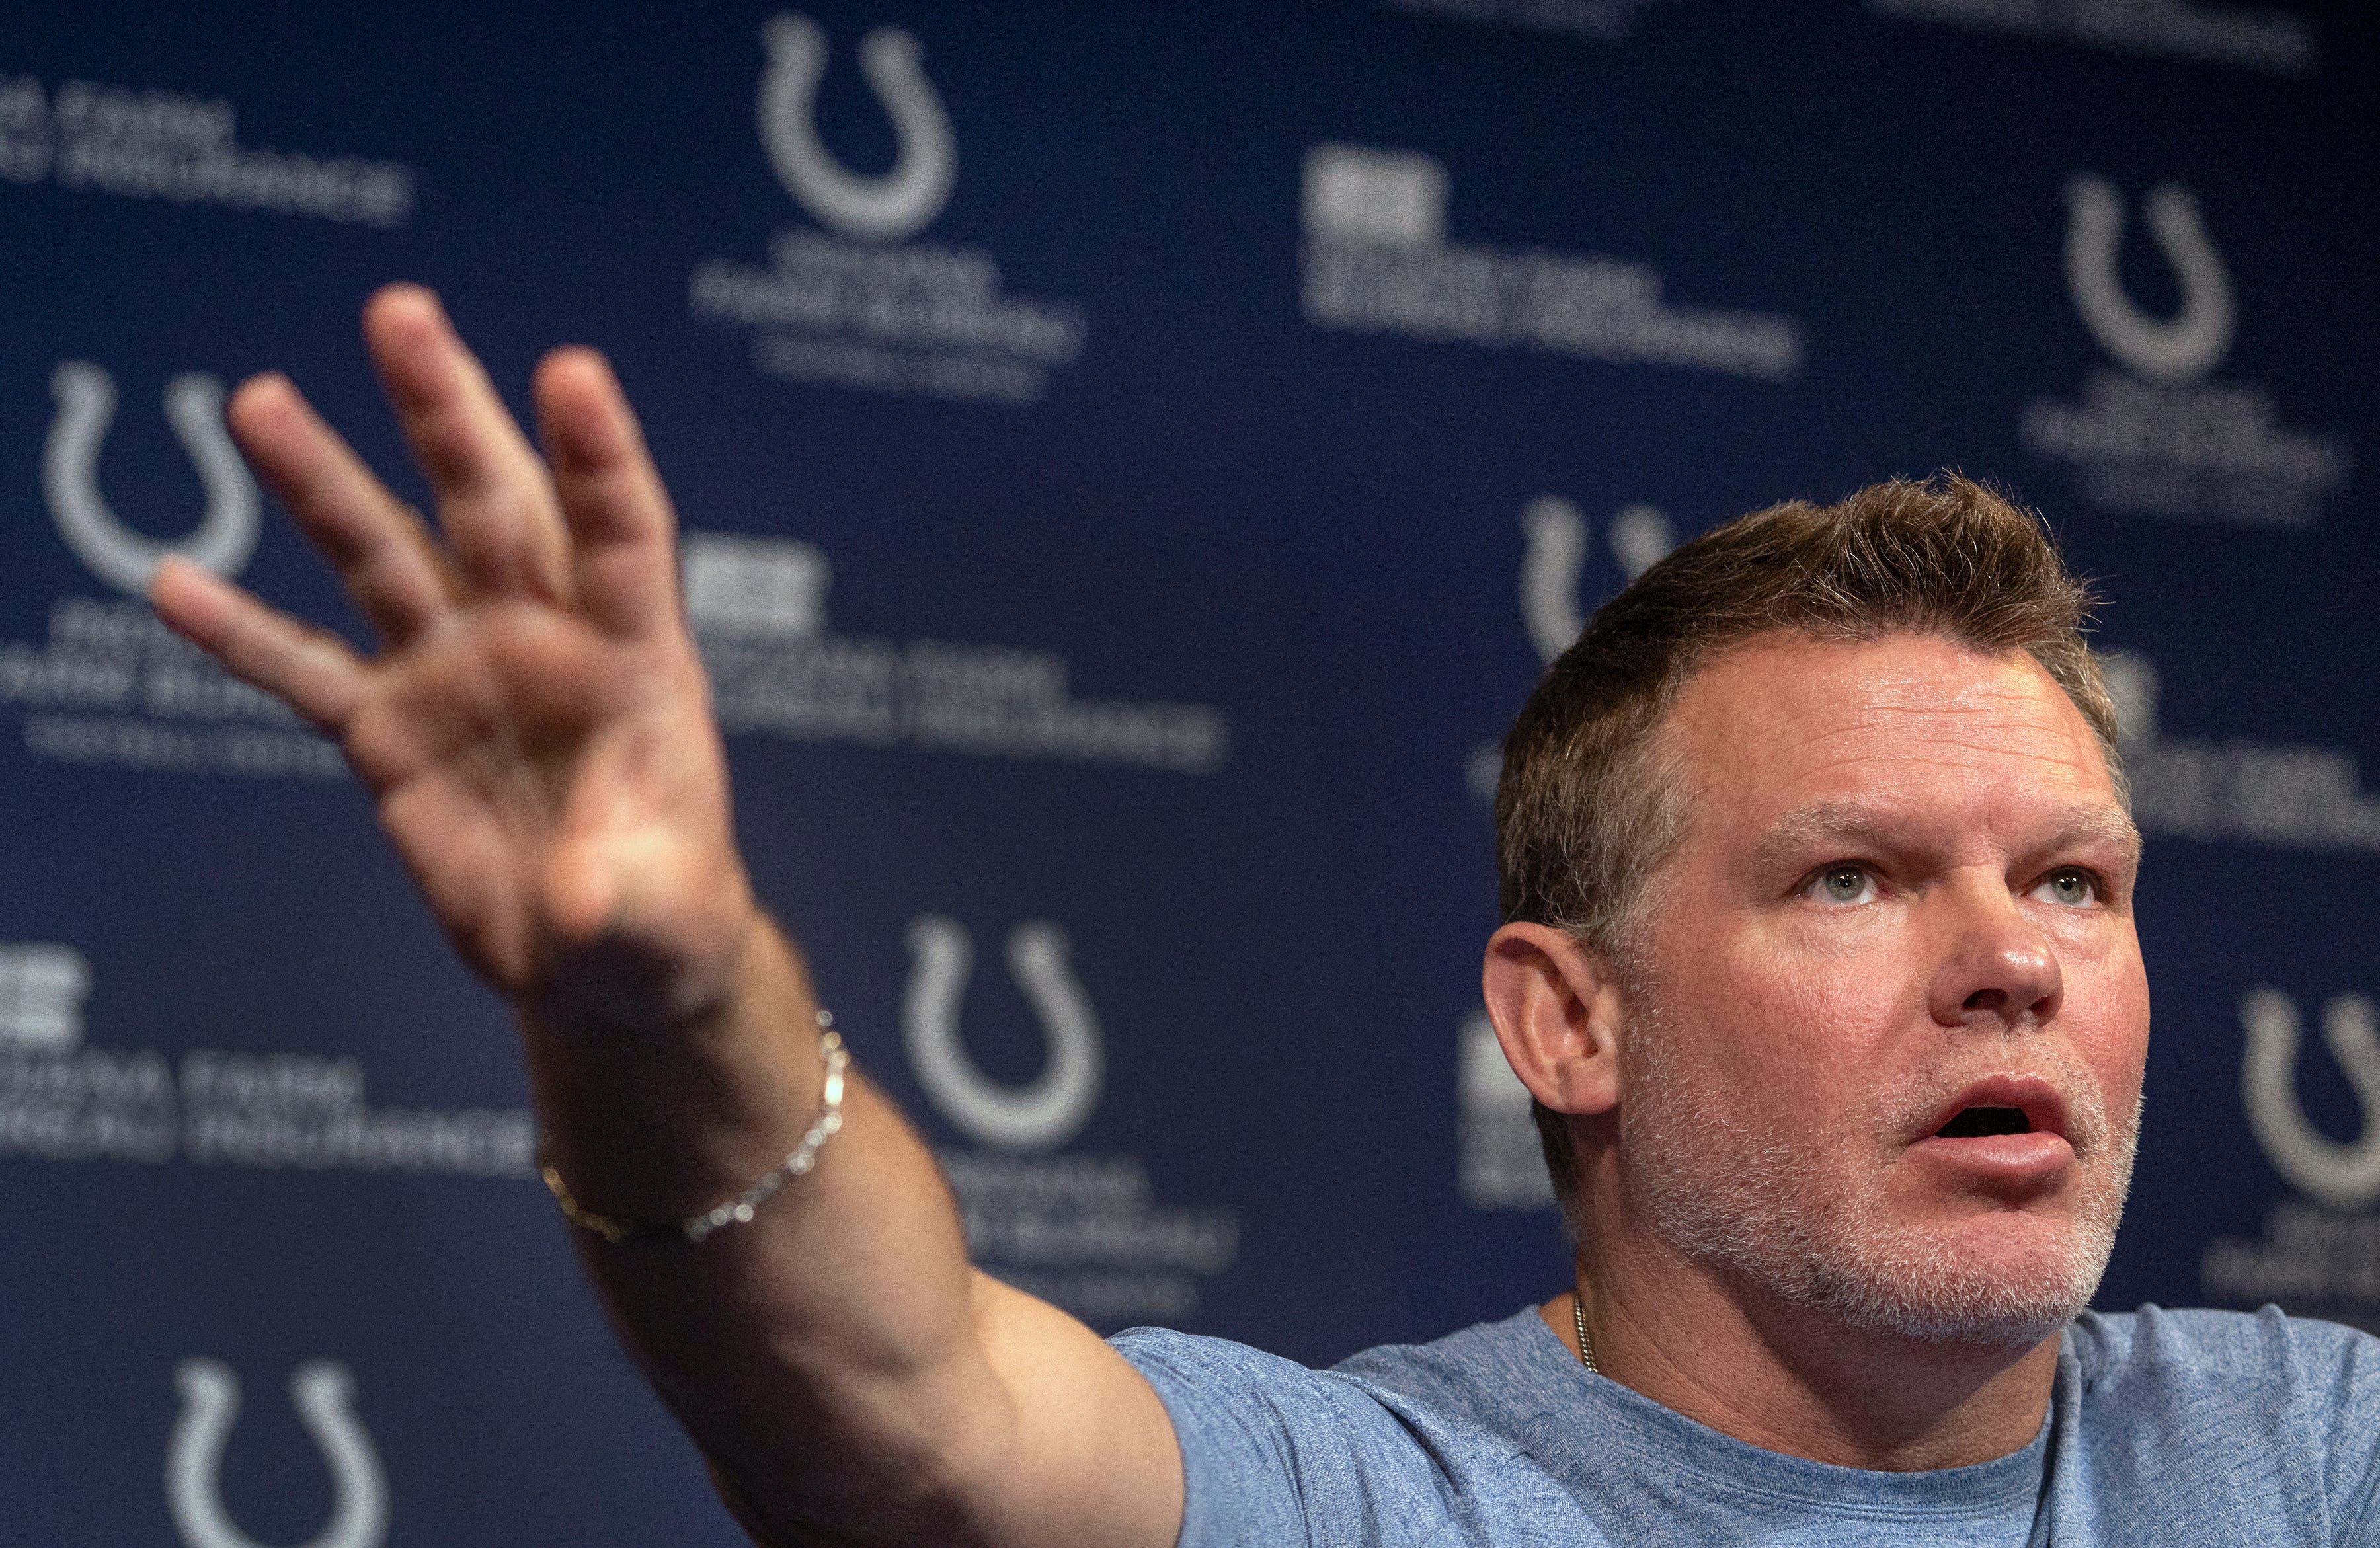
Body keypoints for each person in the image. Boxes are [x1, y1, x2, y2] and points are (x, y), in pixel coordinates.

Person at [152, 286, 2380, 1547]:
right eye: (1856, 876)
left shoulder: (2308, 1454)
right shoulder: (1361, 1498)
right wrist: (668, 991)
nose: (2015, 958)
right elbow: (899, 1401)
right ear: (1564, 1022)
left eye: (2076, 881)